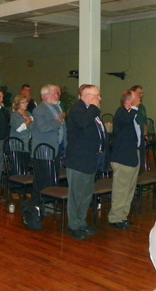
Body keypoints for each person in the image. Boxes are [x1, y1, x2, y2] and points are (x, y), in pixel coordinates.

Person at [65, 84, 104, 240]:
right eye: (97, 95)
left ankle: (81, 223)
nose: (100, 98)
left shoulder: (88, 111)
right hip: (78, 161)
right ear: (88, 96)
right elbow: (82, 123)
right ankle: (74, 226)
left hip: (89, 159)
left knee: (86, 195)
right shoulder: (77, 109)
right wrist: (94, 108)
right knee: (76, 196)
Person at [108, 89, 141, 230]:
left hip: (133, 155)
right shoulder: (121, 113)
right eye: (137, 97)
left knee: (129, 189)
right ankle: (115, 218)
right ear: (128, 101)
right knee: (120, 190)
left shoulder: (134, 115)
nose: (140, 98)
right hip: (122, 157)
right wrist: (134, 108)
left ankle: (123, 216)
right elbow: (126, 122)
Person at [31, 84, 67, 202]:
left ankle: (50, 202)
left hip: (55, 148)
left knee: (53, 176)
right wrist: (58, 122)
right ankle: (40, 203)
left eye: (57, 93)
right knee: (43, 178)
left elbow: (61, 124)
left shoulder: (56, 108)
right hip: (43, 150)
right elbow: (43, 127)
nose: (57, 96)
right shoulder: (38, 110)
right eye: (54, 94)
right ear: (46, 96)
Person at [130, 85, 148, 173]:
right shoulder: (130, 108)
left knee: (141, 157)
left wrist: (145, 134)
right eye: (139, 93)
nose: (141, 95)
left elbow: (144, 122)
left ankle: (140, 174)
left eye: (142, 93)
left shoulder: (142, 108)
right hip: (133, 138)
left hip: (141, 137)